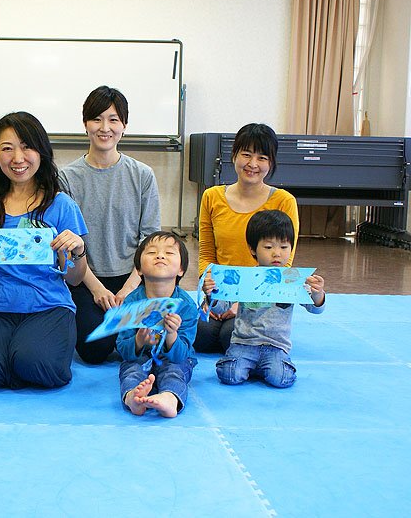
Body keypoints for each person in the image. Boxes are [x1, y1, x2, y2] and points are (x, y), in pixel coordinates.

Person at [0, 111, 88, 390]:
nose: (18, 158)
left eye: (27, 146)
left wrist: (78, 251)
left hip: (48, 307)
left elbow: (74, 279)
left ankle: (20, 356)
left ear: (41, 151)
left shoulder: (61, 205)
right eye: (7, 148)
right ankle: (11, 357)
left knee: (37, 365)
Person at [60, 86, 161, 364]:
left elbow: (151, 239)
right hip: (85, 278)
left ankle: (124, 324)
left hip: (134, 278)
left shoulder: (142, 175)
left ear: (124, 126)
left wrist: (129, 289)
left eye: (114, 119)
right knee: (94, 351)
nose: (105, 128)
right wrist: (96, 289)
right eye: (97, 119)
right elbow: (68, 245)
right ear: (85, 124)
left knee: (150, 345)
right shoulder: (67, 177)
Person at [196, 123, 299, 354]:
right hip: (220, 292)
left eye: (262, 157)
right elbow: (206, 255)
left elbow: (285, 261)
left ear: (271, 163)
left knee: (229, 337)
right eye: (246, 154)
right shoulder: (212, 197)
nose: (253, 164)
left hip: (259, 298)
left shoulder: (284, 201)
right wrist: (212, 295)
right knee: (199, 334)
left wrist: (239, 304)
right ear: (234, 155)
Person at [203, 210, 325, 388]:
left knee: (281, 378)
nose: (277, 253)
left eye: (284, 247)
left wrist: (317, 293)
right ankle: (252, 366)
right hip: (244, 343)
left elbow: (315, 308)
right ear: (253, 249)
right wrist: (212, 294)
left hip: (275, 346)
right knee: (229, 375)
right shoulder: (244, 276)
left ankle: (263, 367)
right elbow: (221, 307)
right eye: (268, 247)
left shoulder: (292, 278)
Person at [117, 232, 197, 418]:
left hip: (174, 360)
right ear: (139, 270)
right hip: (141, 357)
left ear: (181, 270)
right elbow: (122, 348)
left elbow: (181, 355)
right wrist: (138, 341)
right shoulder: (131, 303)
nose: (160, 256)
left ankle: (170, 398)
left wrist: (171, 335)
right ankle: (132, 398)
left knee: (175, 373)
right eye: (152, 252)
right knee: (130, 371)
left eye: (169, 253)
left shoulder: (186, 305)